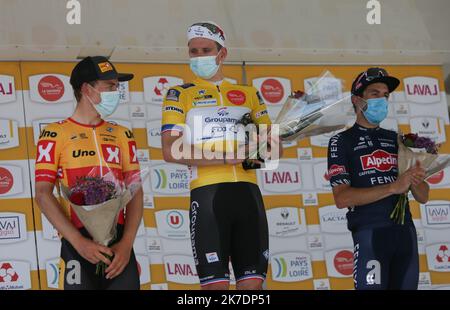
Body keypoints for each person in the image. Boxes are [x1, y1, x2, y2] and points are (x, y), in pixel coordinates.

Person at [161, 21, 282, 290]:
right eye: (193, 51)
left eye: (206, 49)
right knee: (215, 288)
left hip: (248, 196)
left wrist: (271, 139)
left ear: (222, 53)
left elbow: (272, 153)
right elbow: (172, 149)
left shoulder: (249, 94)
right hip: (208, 197)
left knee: (252, 288)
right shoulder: (179, 94)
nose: (199, 56)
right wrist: (230, 156)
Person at [35, 56, 143, 290]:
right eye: (111, 86)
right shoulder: (54, 134)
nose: (117, 91)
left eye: (118, 85)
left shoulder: (122, 134)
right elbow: (42, 194)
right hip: (76, 244)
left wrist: (126, 243)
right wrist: (78, 242)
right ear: (87, 89)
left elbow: (135, 191)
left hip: (119, 246)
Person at [327, 67, 430, 290]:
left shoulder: (396, 139)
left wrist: (417, 178)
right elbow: (342, 198)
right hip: (370, 234)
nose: (382, 100)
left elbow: (423, 197)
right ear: (357, 100)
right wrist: (394, 186)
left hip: (405, 233)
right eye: (375, 94)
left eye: (385, 96)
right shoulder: (341, 141)